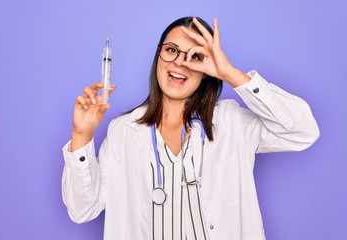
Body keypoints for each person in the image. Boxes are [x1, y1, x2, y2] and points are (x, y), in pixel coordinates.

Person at [62, 16, 319, 240]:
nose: (180, 63)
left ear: (207, 70)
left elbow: (303, 131)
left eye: (195, 56)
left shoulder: (231, 122)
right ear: (158, 55)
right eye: (171, 50)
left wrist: (229, 72)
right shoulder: (123, 131)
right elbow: (82, 209)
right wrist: (81, 136)